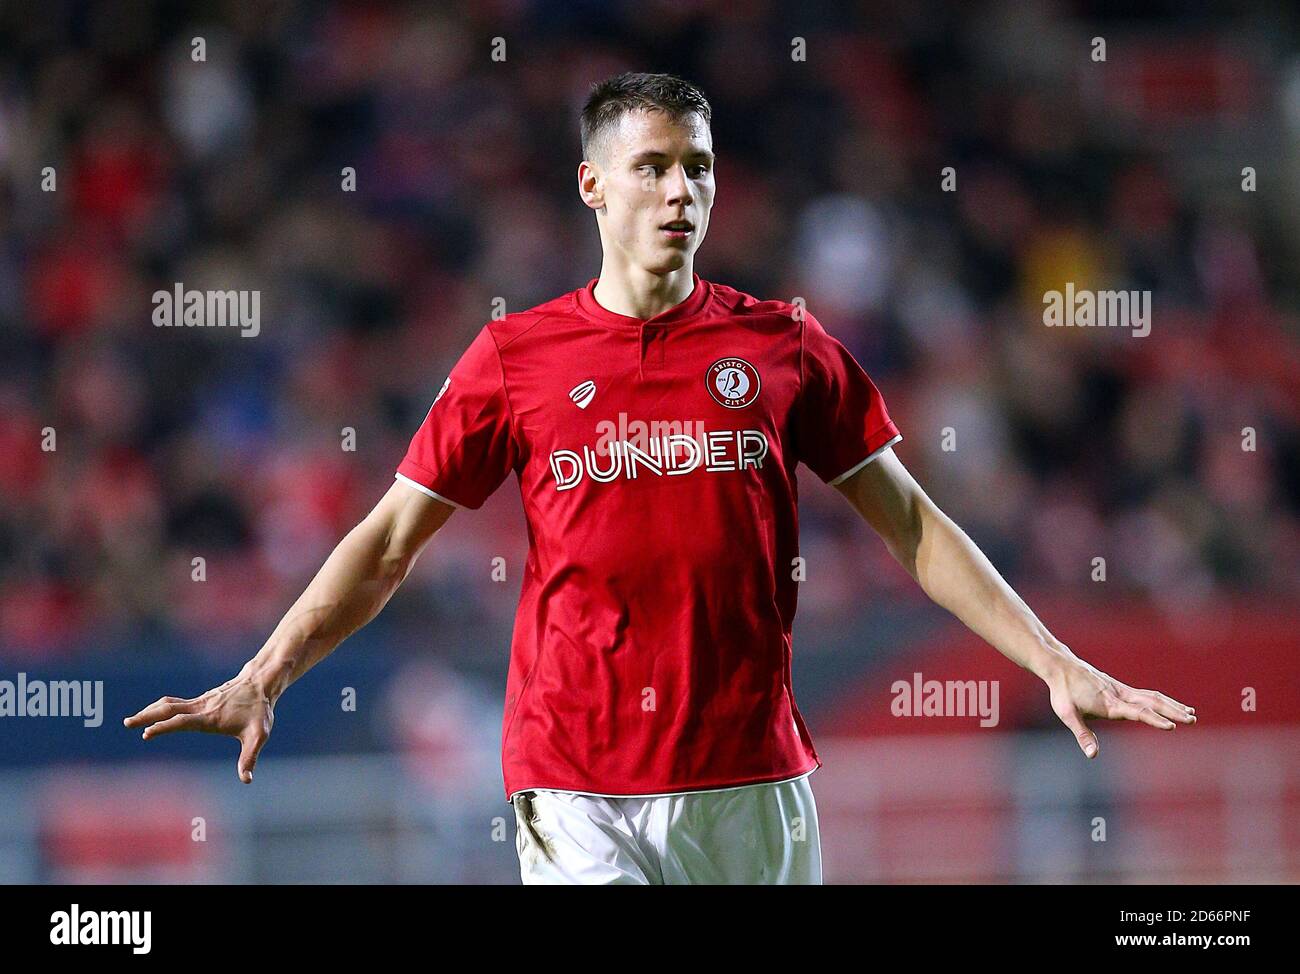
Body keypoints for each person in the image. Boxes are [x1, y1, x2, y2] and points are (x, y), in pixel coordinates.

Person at [125, 72, 1196, 885]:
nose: (681, 189)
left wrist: (1053, 659)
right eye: (653, 167)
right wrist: (267, 670)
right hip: (577, 775)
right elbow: (390, 537)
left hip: (752, 774)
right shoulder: (515, 358)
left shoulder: (783, 346)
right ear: (593, 185)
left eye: (699, 165)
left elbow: (910, 523)